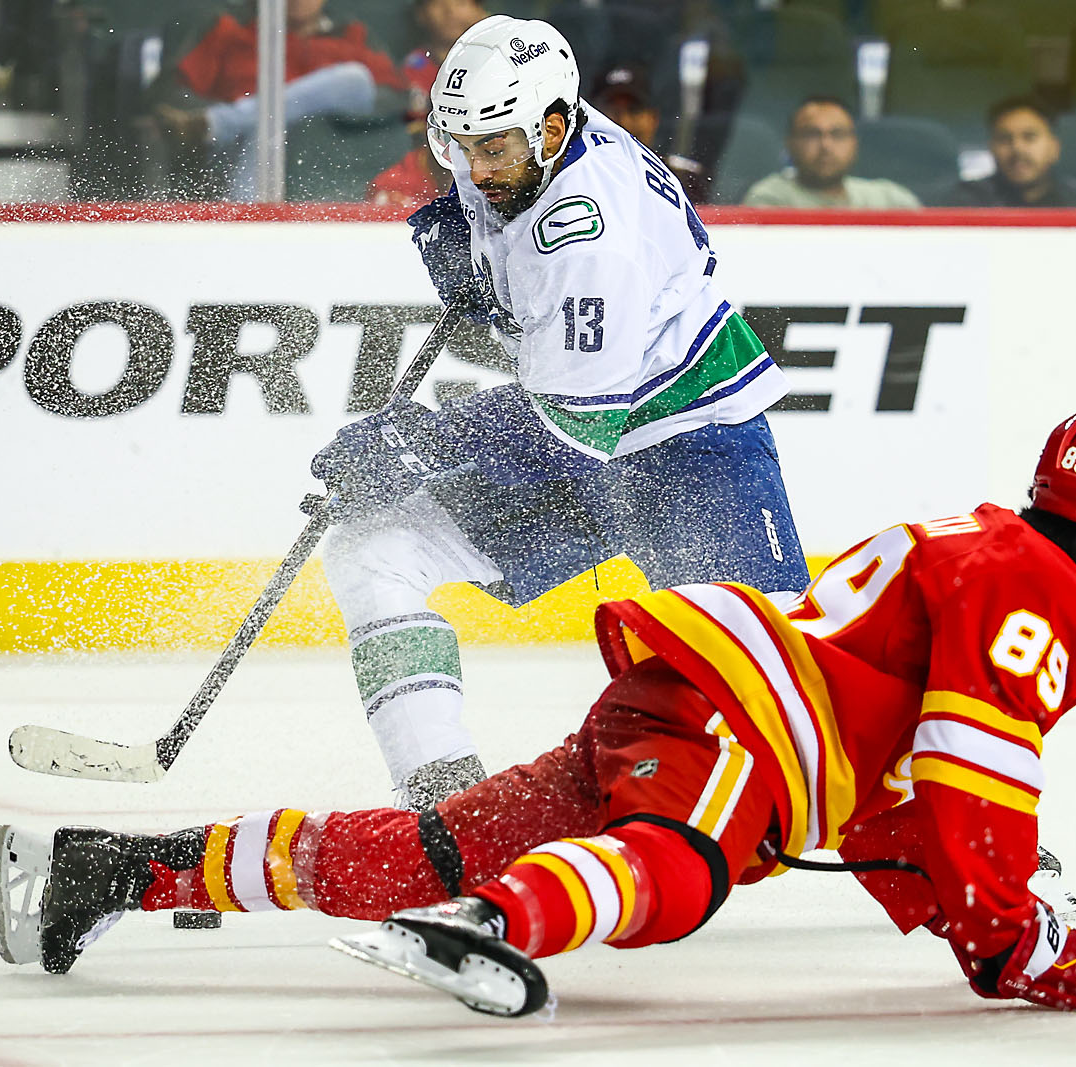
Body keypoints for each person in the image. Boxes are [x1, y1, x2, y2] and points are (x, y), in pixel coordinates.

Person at [0, 406, 1076, 1018]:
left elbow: (896, 804)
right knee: (677, 867)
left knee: (426, 845)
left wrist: (962, 908)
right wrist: (1016, 945)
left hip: (676, 700)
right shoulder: (1039, 590)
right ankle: (485, 922)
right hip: (740, 727)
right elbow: (972, 779)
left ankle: (113, 868)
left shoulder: (970, 540)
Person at [320, 15, 806, 808]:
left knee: (787, 707)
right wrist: (479, 252)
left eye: (492, 149)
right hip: (592, 445)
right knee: (372, 551)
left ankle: (961, 832)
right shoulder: (525, 139)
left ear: (551, 128)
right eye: (458, 147)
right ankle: (446, 805)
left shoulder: (586, 234)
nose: (475, 169)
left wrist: (420, 443)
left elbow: (569, 429)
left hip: (692, 450)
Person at [154, 0, 411, 200]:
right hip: (237, 152)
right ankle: (249, 222)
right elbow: (174, 94)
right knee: (268, 127)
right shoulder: (230, 30)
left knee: (352, 78)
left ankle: (219, 123)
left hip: (329, 151)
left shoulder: (352, 34)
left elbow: (396, 95)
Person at [742, 97, 921, 209]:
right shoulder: (769, 198)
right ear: (790, 144)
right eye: (812, 134)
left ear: (854, 143)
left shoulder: (889, 198)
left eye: (838, 134)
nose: (826, 145)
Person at [931, 97, 1076, 208]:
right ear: (991, 149)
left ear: (1054, 148)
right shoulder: (964, 203)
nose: (1017, 148)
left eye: (1029, 137)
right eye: (1005, 139)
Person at [591, 64, 708, 203]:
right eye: (612, 110)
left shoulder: (683, 178)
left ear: (653, 118)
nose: (623, 120)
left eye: (634, 110)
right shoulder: (578, 173)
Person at [367, 90, 453, 209]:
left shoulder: (478, 178)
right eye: (443, 127)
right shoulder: (395, 184)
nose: (454, 138)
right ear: (426, 129)